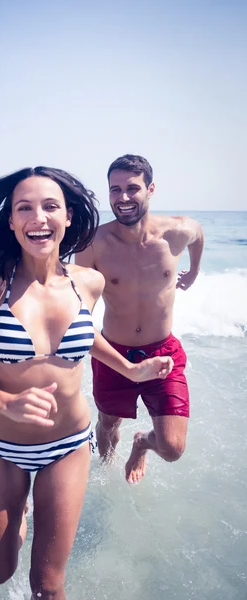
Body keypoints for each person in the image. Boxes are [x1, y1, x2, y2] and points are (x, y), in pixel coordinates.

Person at [0, 166, 174, 599]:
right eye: (24, 208)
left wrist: (131, 369)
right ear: (10, 221)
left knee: (47, 586)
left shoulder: (89, 281)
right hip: (3, 448)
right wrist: (3, 402)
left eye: (50, 206)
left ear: (68, 217)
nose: (38, 217)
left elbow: (88, 338)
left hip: (68, 444)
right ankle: (19, 517)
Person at [76, 154, 204, 485]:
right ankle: (106, 480)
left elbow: (198, 233)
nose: (123, 198)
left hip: (163, 353)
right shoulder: (93, 244)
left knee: (172, 447)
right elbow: (80, 316)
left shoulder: (177, 232)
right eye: (115, 190)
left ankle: (142, 444)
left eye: (132, 188)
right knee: (107, 426)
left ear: (151, 189)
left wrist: (193, 273)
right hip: (113, 353)